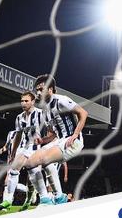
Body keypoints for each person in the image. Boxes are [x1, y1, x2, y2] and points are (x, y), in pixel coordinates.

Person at [11, 75, 88, 203]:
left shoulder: (61, 101)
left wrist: (75, 134)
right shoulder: (44, 110)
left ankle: (55, 197)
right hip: (59, 140)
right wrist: (43, 141)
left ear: (51, 89)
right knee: (29, 163)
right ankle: (50, 198)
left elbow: (83, 113)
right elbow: (53, 134)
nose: (38, 92)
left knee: (44, 159)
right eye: (37, 90)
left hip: (74, 141)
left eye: (42, 89)